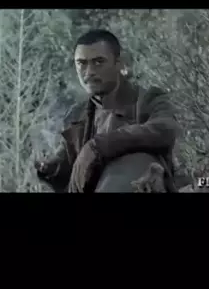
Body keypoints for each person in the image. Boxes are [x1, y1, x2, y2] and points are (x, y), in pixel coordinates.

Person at [34, 29, 182, 193]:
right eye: (81, 63)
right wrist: (50, 168)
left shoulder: (148, 98)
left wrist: (99, 146)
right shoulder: (78, 114)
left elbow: (165, 129)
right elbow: (70, 165)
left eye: (98, 62)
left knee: (136, 159)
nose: (89, 72)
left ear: (118, 63)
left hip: (142, 185)